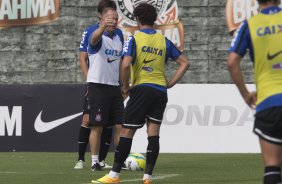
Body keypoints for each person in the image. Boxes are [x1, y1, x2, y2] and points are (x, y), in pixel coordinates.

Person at [92, 3, 190, 184]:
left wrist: (125, 86)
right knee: (153, 134)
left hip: (142, 89)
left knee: (127, 132)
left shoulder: (134, 39)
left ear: (137, 19)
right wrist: (170, 83)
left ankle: (113, 175)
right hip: (160, 91)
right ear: (154, 20)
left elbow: (126, 64)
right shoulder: (164, 41)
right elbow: (185, 62)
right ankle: (148, 177)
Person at [227, 0, 282, 184]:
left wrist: (245, 94)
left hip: (268, 102)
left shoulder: (250, 25)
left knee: (272, 167)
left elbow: (232, 61)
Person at [74, 0, 123, 170]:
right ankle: (90, 160)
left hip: (115, 87)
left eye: (116, 18)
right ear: (101, 17)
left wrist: (123, 83)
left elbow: (121, 61)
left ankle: (118, 161)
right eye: (110, 18)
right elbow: (87, 50)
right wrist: (89, 80)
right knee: (94, 123)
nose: (114, 21)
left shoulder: (120, 35)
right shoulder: (93, 33)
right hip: (97, 85)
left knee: (118, 125)